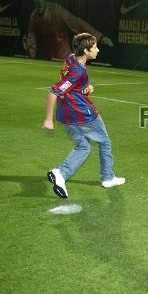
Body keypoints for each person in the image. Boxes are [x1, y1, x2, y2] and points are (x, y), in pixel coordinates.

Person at [42, 33, 125, 198]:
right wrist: (48, 119)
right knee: (105, 142)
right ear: (86, 50)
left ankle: (61, 173)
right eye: (94, 47)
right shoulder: (78, 71)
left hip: (65, 115)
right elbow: (53, 92)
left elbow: (71, 85)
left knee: (83, 147)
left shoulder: (71, 58)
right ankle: (107, 178)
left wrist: (86, 89)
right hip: (82, 115)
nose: (98, 49)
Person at [24, 0, 114, 60]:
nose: (40, 0)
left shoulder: (56, 10)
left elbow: (76, 23)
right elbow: (32, 41)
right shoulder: (33, 16)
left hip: (64, 57)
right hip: (48, 59)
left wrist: (100, 37)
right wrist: (29, 51)